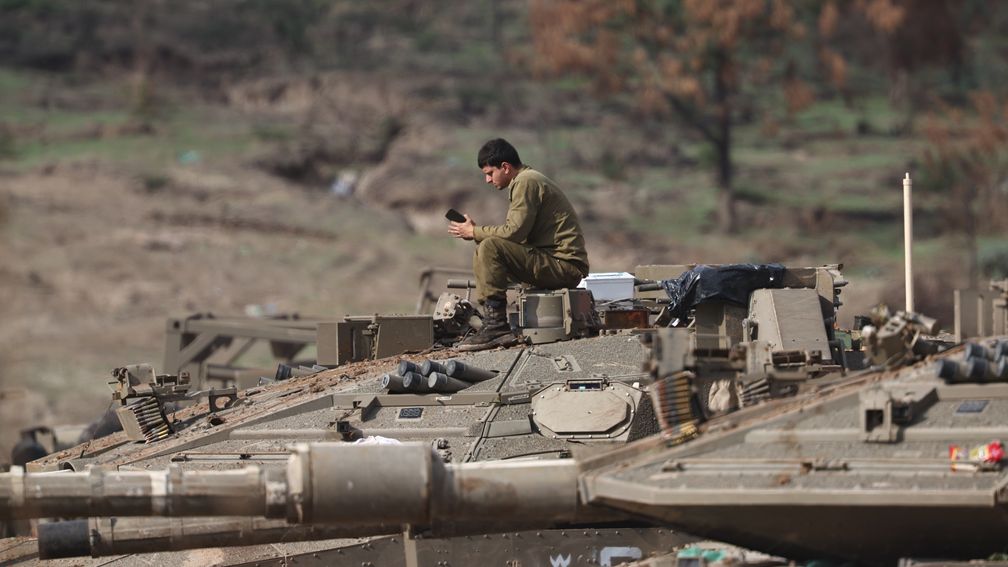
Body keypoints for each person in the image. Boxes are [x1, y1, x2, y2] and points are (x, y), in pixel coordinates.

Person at [448, 138, 589, 351]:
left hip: (564, 266)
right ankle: (492, 323)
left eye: (490, 173)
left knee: (490, 247)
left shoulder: (526, 181)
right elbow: (517, 235)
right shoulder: (527, 180)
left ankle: (496, 326)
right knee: (487, 249)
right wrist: (477, 233)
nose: (487, 180)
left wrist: (475, 232)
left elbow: (514, 232)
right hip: (556, 263)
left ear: (505, 167)